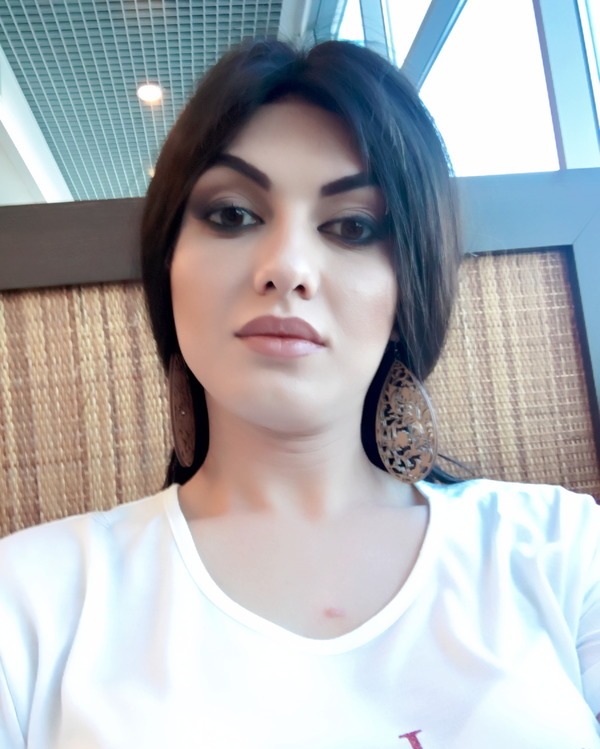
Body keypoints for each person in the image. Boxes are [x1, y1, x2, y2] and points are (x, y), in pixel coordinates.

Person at [0, 39, 598, 749]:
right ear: (168, 264)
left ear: (409, 287)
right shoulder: (30, 601)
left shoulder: (562, 549)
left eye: (352, 226)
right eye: (232, 215)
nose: (286, 267)